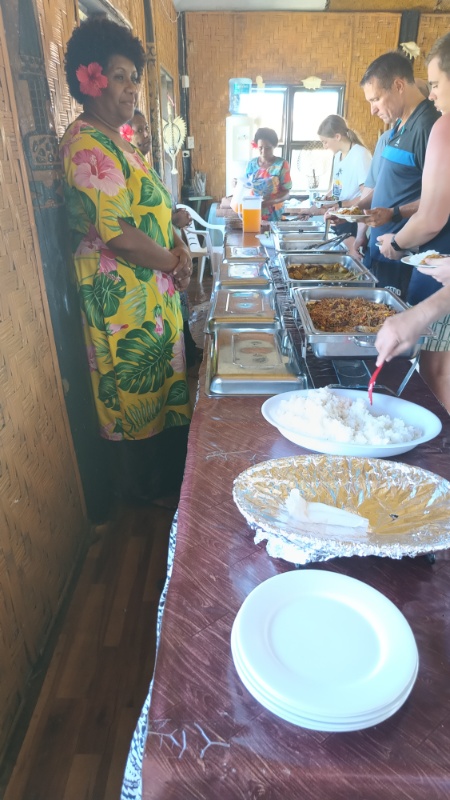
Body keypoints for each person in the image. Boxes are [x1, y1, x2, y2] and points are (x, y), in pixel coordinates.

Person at [61, 15, 193, 504]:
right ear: (90, 80)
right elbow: (117, 233)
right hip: (121, 301)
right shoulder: (85, 142)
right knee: (133, 398)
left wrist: (176, 241)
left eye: (134, 77)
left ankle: (169, 490)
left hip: (150, 293)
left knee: (160, 391)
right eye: (119, 76)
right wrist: (173, 263)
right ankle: (145, 502)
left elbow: (150, 208)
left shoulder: (120, 139)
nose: (132, 87)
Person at [375, 34, 450, 411]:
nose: (432, 93)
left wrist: (397, 242)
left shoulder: (440, 127)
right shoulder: (408, 128)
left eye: (435, 83)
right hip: (438, 263)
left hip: (432, 256)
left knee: (436, 371)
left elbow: (432, 214)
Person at [359, 50, 440, 299]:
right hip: (381, 248)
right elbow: (390, 185)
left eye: (376, 99)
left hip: (403, 253)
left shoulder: (428, 127)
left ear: (398, 86)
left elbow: (438, 202)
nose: (372, 110)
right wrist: (352, 209)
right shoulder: (397, 126)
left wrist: (394, 213)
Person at [127, 108, 202, 367]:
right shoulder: (127, 172)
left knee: (180, 312)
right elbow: (139, 224)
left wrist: (176, 221)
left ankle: (188, 351)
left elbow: (159, 213)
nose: (146, 135)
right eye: (138, 130)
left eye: (146, 128)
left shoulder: (148, 168)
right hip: (156, 262)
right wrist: (174, 222)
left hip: (171, 255)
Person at [245, 128, 292, 221]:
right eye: (260, 148)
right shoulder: (251, 164)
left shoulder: (282, 164)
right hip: (253, 212)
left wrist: (271, 201)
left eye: (267, 148)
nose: (263, 151)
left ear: (274, 146)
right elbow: (246, 186)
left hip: (275, 215)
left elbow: (286, 193)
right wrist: (236, 183)